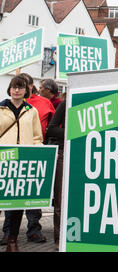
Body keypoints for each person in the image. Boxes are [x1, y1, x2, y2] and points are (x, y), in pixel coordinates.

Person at [1, 73, 54, 244]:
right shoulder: (1, 109)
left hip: (25, 160)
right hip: (5, 158)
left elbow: (37, 137)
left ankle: (12, 239)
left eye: (20, 87)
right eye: (14, 87)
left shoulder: (32, 111)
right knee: (5, 197)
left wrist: (38, 155)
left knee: (21, 199)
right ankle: (7, 234)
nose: (17, 90)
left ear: (26, 91)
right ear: (9, 89)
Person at [46, 99, 66, 250]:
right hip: (64, 154)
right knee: (60, 199)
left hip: (89, 155)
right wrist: (75, 130)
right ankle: (59, 238)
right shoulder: (66, 103)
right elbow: (51, 129)